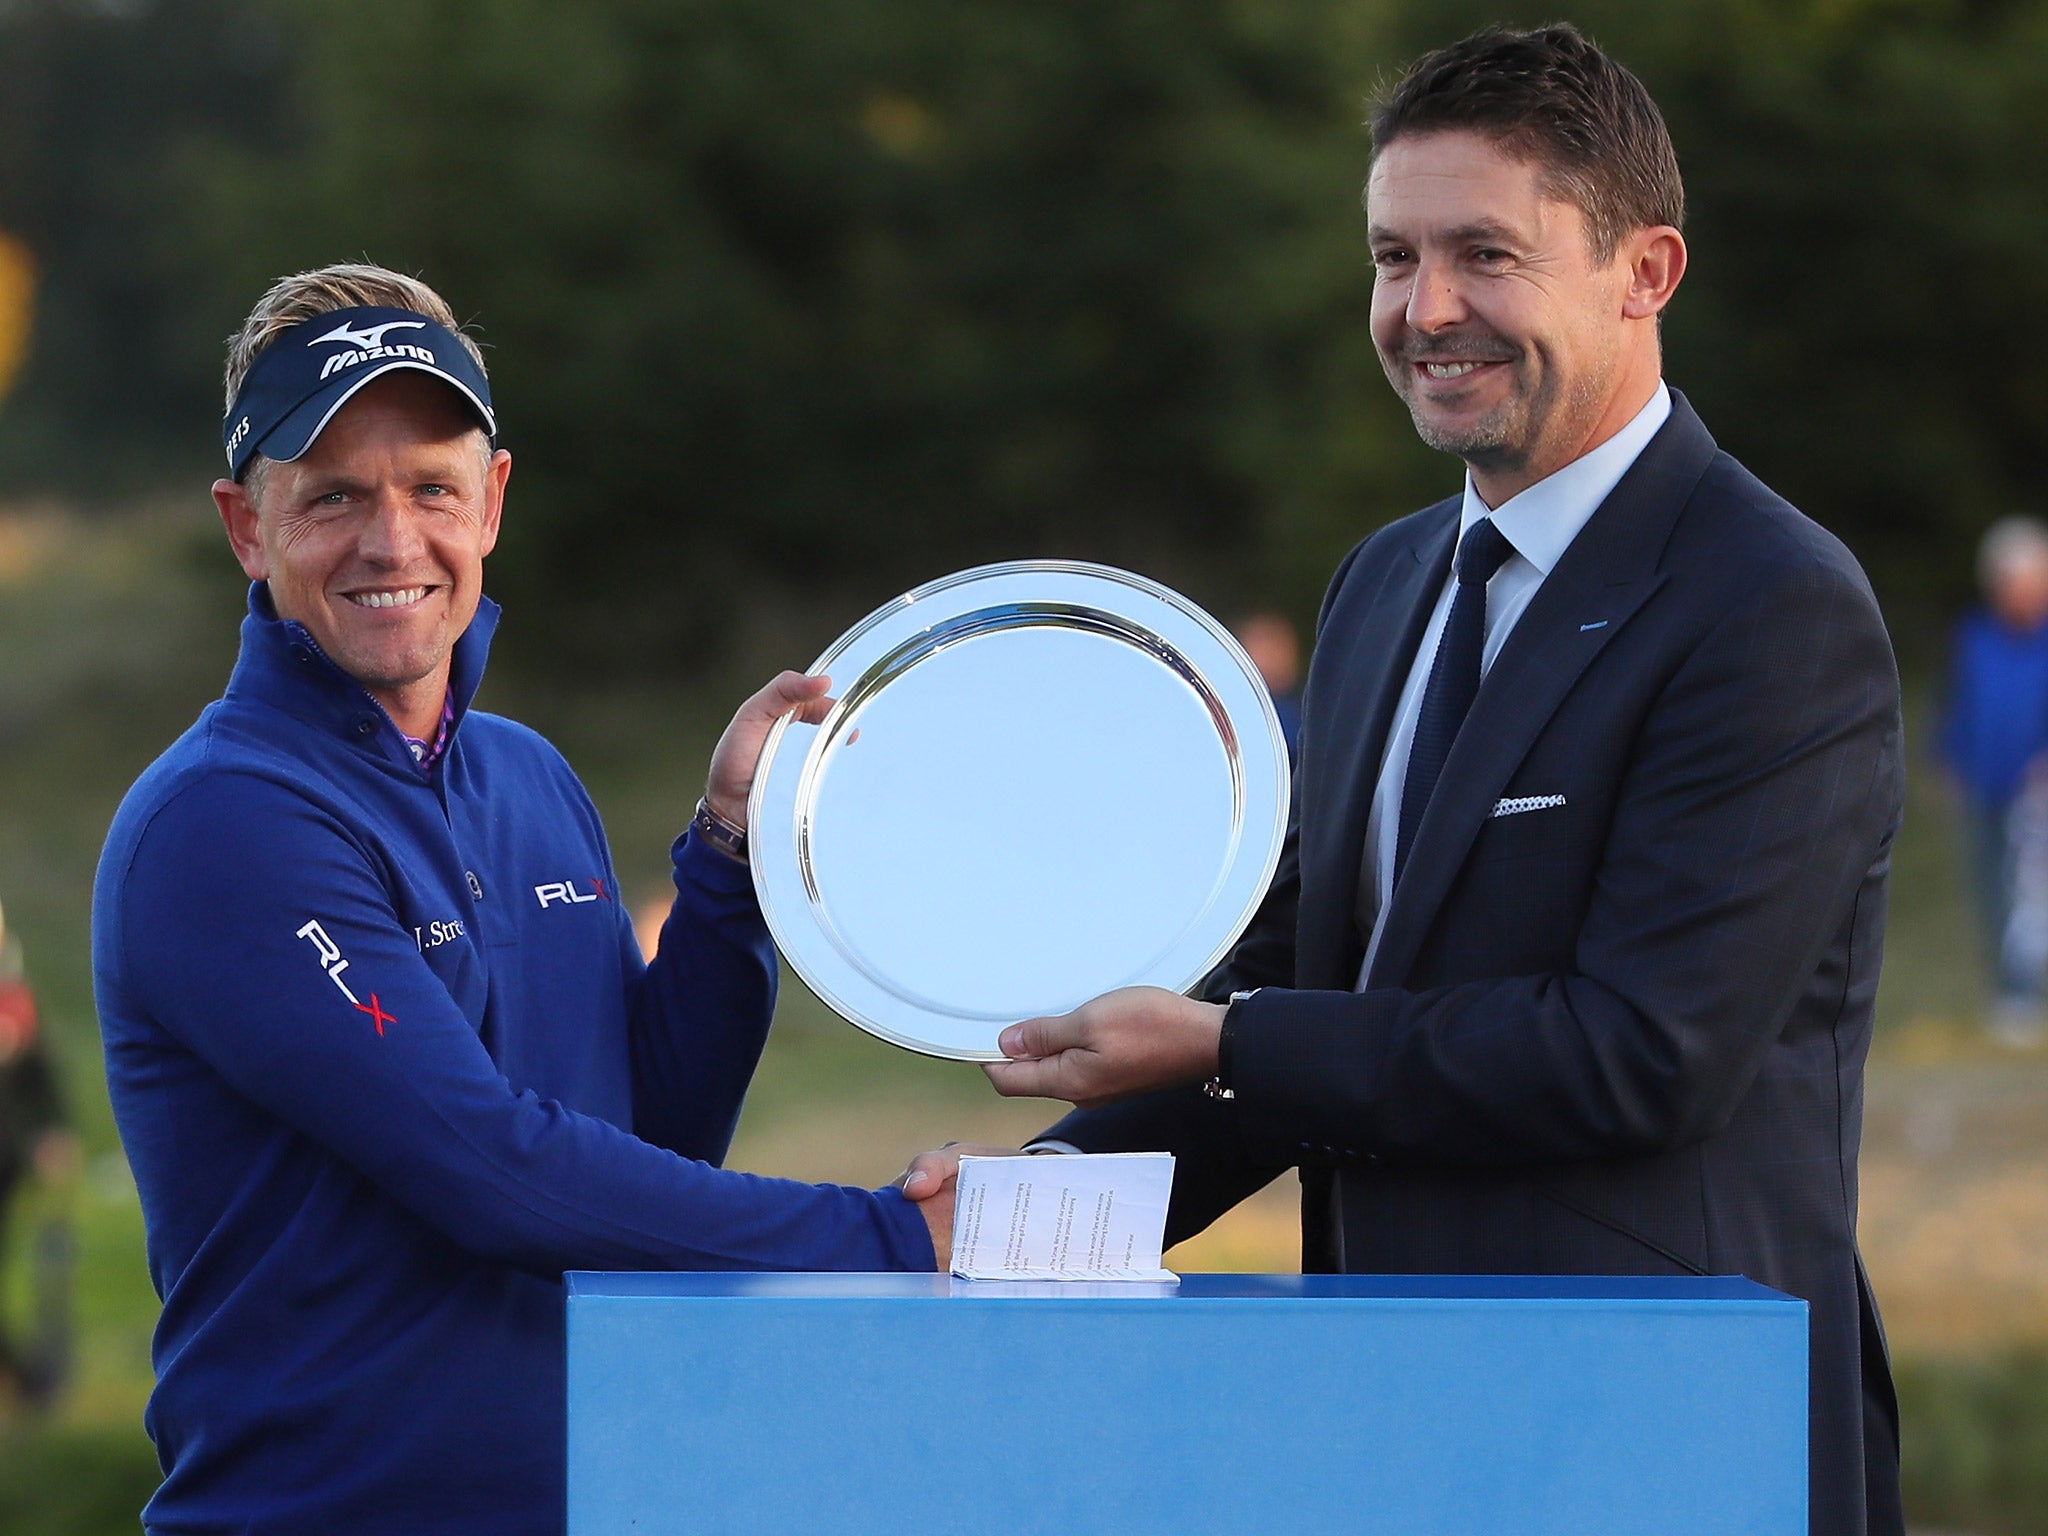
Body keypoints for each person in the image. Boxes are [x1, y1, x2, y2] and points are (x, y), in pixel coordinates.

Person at [905, 27, 1903, 1536]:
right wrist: (1012, 1216)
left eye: (1484, 254)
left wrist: (1227, 1038)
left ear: (1647, 271)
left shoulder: (1769, 604)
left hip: (1672, 1437)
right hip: (1400, 1415)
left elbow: (1638, 1053)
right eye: (1392, 257)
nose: (1425, 310)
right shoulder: (1382, 587)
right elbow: (1303, 992)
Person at [93, 264, 951, 1535]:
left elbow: (649, 1138)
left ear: (490, 502)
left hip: (588, 1498)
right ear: (245, 527)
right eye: (330, 498)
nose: (392, 543)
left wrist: (725, 860)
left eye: (430, 488)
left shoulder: (527, 778)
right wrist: (885, 1241)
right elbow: (488, 1168)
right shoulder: (223, 824)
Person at [1939, 515, 2048, 1043]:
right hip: (1985, 787)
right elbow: (1958, 704)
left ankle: (2028, 991)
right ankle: (2010, 995)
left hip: (2038, 795)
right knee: (1992, 891)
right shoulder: (1975, 637)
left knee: (2030, 892)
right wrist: (1949, 759)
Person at [0, 899, 75, 1408]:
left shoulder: (16, 1004)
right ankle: (26, 1378)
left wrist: (51, 1135)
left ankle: (27, 1380)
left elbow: (42, 1081)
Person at [1233, 611, 1304, 760]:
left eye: (1278, 648)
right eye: (1263, 647)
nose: (1272, 658)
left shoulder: (1304, 718)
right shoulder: (1231, 716)